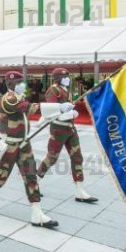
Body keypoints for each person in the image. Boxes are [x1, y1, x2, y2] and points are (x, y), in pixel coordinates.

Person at [0, 71, 59, 228]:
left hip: (23, 144)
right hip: (9, 146)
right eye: (20, 82)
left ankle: (37, 213)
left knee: (31, 176)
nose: (23, 85)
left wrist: (58, 112)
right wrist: (58, 107)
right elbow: (29, 108)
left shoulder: (19, 97)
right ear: (11, 84)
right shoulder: (9, 99)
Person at [36, 68, 98, 203]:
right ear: (58, 78)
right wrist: (69, 114)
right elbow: (51, 111)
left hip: (70, 129)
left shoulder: (65, 90)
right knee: (51, 158)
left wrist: (71, 112)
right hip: (58, 130)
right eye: (65, 77)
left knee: (77, 158)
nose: (68, 79)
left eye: (68, 76)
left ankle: (80, 191)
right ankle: (35, 182)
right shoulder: (53, 91)